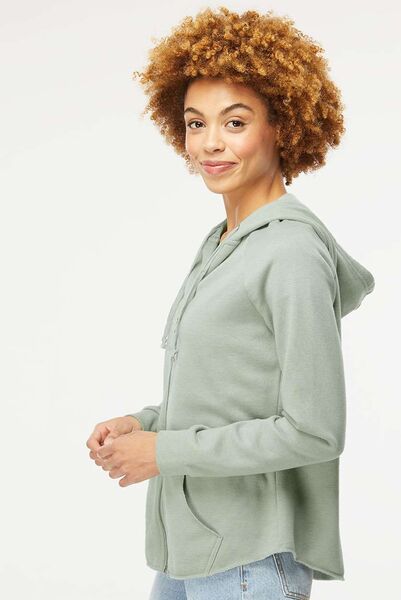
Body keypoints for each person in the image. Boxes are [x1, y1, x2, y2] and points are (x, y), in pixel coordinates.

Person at [86, 6, 375, 599]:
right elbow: (231, 396)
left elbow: (315, 430)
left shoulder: (290, 251)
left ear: (283, 127)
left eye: (235, 122)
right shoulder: (222, 243)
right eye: (195, 123)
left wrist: (163, 451)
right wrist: (145, 425)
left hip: (249, 561)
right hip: (191, 551)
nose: (210, 143)